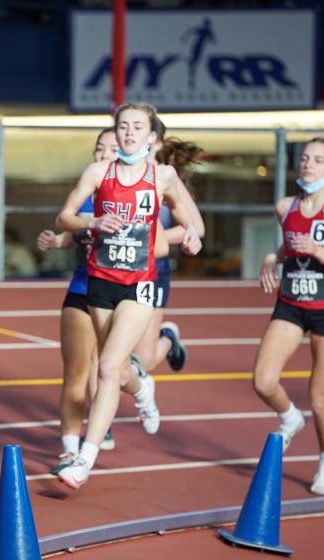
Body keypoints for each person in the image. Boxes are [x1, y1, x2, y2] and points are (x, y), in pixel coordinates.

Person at [53, 102, 202, 490]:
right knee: (117, 372)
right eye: (123, 126)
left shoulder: (163, 175)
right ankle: (141, 386)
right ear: (116, 132)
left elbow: (187, 218)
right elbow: (64, 217)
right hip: (100, 280)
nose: (130, 132)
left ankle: (85, 459)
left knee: (105, 367)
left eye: (138, 127)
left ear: (152, 136)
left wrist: (189, 235)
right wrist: (94, 221)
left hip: (141, 282)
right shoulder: (98, 172)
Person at [37, 128, 168, 475]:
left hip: (126, 288)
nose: (104, 154)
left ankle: (136, 393)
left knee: (112, 368)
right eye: (99, 148)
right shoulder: (88, 192)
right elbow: (73, 235)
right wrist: (58, 240)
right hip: (85, 287)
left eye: (112, 148)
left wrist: (136, 243)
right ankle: (69, 448)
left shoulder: (146, 189)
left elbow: (164, 243)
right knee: (77, 371)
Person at [254, 137, 324, 496]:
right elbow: (288, 247)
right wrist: (271, 257)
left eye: (318, 160)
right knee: (263, 381)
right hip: (291, 303)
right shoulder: (284, 206)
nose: (308, 165)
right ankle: (289, 418)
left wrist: (322, 253)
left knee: (320, 398)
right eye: (305, 159)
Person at [131, 119, 207, 375]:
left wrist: (156, 237)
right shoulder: (116, 174)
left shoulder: (166, 178)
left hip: (153, 271)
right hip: (119, 270)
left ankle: (168, 338)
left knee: (144, 361)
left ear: (157, 141)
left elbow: (197, 227)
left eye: (140, 129)